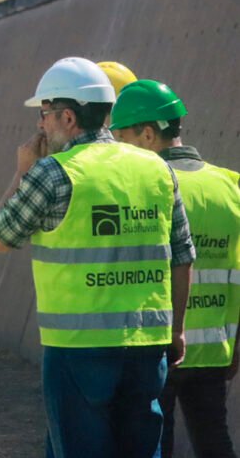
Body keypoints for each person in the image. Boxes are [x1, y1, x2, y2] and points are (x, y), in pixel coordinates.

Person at [0, 57, 195, 458]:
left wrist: (22, 173)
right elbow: (182, 256)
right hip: (146, 346)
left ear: (68, 117)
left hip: (78, 350)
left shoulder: (52, 173)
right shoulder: (156, 169)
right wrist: (177, 329)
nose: (40, 125)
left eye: (45, 115)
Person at [111, 80, 240, 458]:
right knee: (214, 439)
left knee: (154, 444)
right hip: (216, 351)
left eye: (122, 139)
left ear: (147, 134)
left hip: (156, 346)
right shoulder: (231, 187)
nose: (118, 150)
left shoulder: (144, 187)